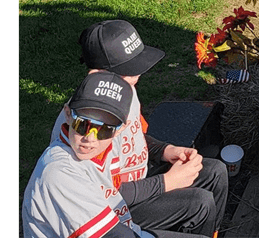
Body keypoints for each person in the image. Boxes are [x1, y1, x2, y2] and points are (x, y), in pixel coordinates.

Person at [50, 20, 228, 237]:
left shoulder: (124, 91)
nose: (138, 74)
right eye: (130, 69)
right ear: (98, 73)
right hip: (118, 207)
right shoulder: (88, 129)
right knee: (200, 203)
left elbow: (136, 135)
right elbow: (109, 191)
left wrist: (164, 150)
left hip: (142, 180)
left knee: (216, 172)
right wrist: (167, 182)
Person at [24, 72, 203, 238]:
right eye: (82, 124)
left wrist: (162, 150)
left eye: (104, 130)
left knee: (202, 199)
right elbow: (114, 235)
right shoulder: (59, 173)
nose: (90, 138)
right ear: (68, 115)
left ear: (120, 131)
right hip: (113, 231)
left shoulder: (105, 149)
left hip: (125, 224)